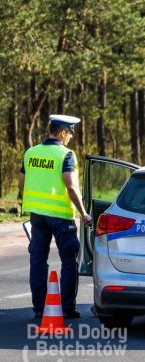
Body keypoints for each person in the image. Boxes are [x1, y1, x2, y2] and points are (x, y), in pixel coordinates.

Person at [18, 115, 92, 319]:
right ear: (62, 132)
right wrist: (84, 213)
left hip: (37, 216)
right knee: (69, 261)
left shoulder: (31, 152)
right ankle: (67, 308)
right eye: (69, 133)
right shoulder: (66, 154)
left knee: (38, 261)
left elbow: (21, 184)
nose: (70, 138)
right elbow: (71, 186)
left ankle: (39, 309)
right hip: (60, 215)